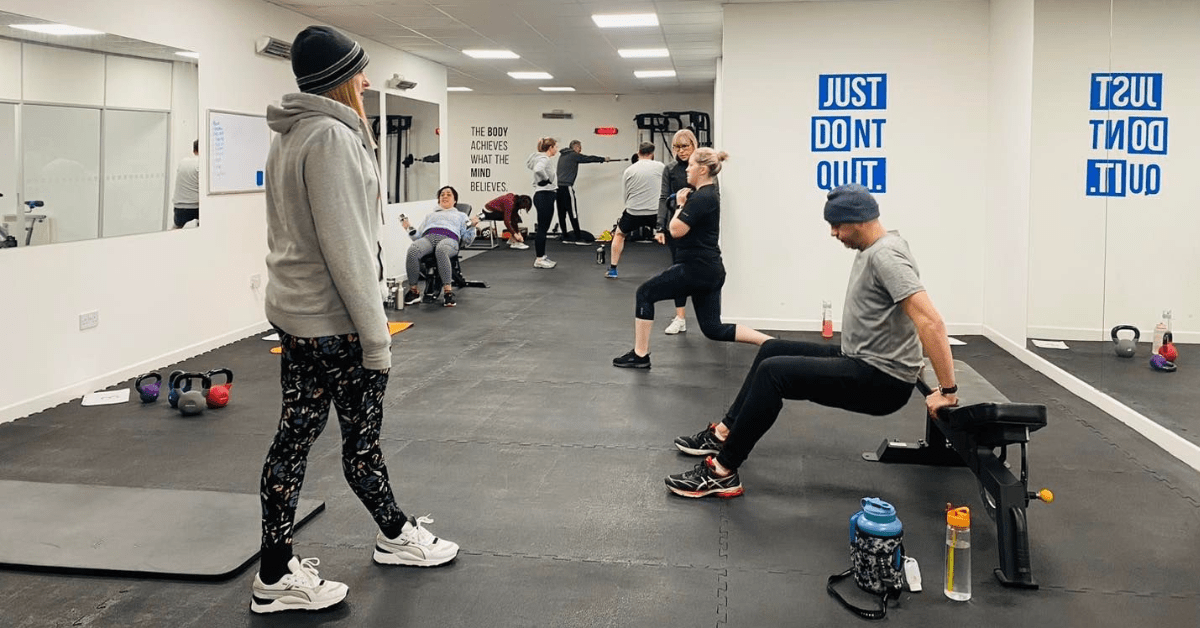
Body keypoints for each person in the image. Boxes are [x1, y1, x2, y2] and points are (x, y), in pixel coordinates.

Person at [254, 25, 458, 615]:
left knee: (294, 440)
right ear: (339, 79)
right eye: (359, 71)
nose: (367, 81)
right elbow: (347, 249)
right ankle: (394, 535)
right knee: (360, 442)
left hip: (298, 316)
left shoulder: (291, 133)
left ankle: (277, 569)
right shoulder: (331, 138)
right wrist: (377, 338)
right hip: (336, 322)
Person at [664, 184, 959, 498]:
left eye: (837, 225)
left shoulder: (886, 256)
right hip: (860, 359)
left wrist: (948, 391)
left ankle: (722, 471)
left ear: (860, 221)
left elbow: (931, 322)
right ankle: (723, 433)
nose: (833, 233)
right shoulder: (879, 245)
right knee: (772, 349)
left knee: (774, 373)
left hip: (883, 381)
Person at [612, 148, 772, 369]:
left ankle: (640, 355)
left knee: (645, 293)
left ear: (703, 170)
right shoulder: (706, 194)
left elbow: (676, 230)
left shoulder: (702, 197)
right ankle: (770, 343)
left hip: (696, 269)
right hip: (710, 270)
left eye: (691, 165)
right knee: (713, 329)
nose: (687, 169)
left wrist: (680, 205)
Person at [401, 185, 478, 307]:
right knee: (413, 250)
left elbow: (467, 240)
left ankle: (448, 293)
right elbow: (418, 237)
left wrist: (473, 226)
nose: (445, 196)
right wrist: (409, 228)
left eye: (448, 194)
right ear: (438, 200)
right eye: (442, 195)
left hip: (449, 239)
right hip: (428, 238)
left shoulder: (461, 216)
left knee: (441, 250)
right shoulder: (430, 216)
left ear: (455, 200)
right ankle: (414, 292)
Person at [657, 130, 700, 335]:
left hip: (698, 226)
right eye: (677, 147)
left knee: (702, 271)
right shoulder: (670, 169)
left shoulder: (702, 168)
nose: (681, 151)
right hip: (677, 226)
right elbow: (663, 197)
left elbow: (712, 196)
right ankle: (680, 317)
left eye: (685, 146)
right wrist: (660, 226)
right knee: (679, 271)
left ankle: (710, 316)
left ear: (693, 145)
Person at [605, 142, 664, 279]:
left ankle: (613, 270)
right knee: (673, 235)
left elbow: (625, 194)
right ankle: (680, 267)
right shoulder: (661, 167)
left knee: (619, 234)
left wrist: (631, 206)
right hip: (655, 211)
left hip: (633, 211)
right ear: (652, 154)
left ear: (638, 153)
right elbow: (665, 188)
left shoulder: (629, 170)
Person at [555, 139, 611, 243]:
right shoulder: (573, 155)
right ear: (575, 147)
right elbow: (588, 158)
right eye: (579, 147)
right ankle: (578, 238)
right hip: (567, 188)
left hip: (558, 188)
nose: (580, 150)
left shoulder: (563, 155)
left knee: (561, 213)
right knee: (573, 213)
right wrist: (603, 159)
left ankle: (565, 237)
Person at [525, 137, 558, 268]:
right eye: (555, 147)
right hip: (545, 195)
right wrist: (546, 179)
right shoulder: (544, 159)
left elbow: (531, 165)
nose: (557, 149)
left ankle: (542, 256)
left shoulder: (538, 157)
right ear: (550, 148)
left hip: (543, 195)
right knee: (542, 229)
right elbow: (538, 169)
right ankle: (539, 259)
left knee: (543, 228)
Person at [171, 140, 200, 228]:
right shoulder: (201, 163)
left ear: (194, 151)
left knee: (177, 229)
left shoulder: (183, 161)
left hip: (179, 207)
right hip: (196, 207)